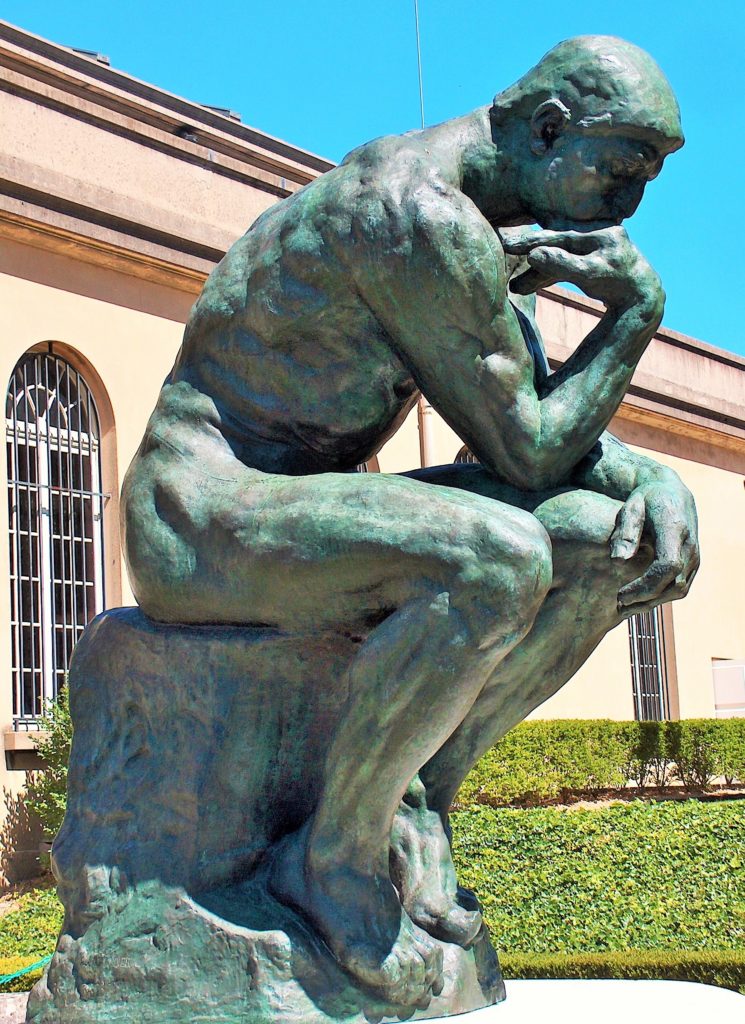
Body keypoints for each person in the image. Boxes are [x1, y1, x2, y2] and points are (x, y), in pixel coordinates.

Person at [121, 35, 699, 1006]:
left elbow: (538, 431)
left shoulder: (475, 229)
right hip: (201, 513)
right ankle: (331, 858)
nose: (627, 205)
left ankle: (415, 796)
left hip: (294, 507)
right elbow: (526, 452)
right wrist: (633, 316)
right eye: (619, 169)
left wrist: (654, 479)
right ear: (547, 129)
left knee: (611, 542)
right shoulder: (415, 213)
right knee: (497, 557)